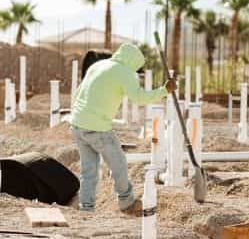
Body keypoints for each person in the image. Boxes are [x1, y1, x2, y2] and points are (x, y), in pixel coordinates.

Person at [71, 43, 175, 212]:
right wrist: (164, 90)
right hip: (97, 127)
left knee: (88, 170)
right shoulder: (124, 72)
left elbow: (78, 92)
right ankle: (126, 201)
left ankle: (86, 207)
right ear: (133, 61)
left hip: (77, 124)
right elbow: (139, 98)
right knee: (118, 163)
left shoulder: (98, 65)